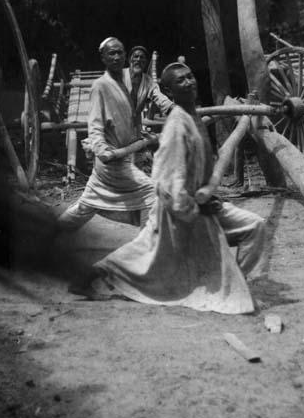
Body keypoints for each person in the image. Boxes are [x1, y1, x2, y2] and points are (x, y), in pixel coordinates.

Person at [75, 62, 267, 315]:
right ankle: (94, 273)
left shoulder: (193, 115)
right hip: (179, 210)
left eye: (190, 77)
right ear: (169, 91)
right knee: (149, 259)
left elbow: (200, 167)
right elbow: (168, 179)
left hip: (201, 203)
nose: (189, 82)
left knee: (255, 226)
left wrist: (209, 196)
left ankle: (234, 285)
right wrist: (192, 208)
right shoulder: (177, 125)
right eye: (181, 81)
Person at [58, 37, 163, 231]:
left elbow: (156, 99)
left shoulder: (133, 83)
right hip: (112, 160)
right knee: (152, 194)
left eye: (120, 52)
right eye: (111, 53)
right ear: (103, 58)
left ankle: (51, 232)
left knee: (86, 207)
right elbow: (95, 125)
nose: (116, 57)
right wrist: (101, 149)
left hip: (126, 155)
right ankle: (144, 248)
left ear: (125, 56)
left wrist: (174, 109)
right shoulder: (101, 86)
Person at [122, 45, 173, 131]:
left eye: (142, 58)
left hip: (135, 129)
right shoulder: (119, 76)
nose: (138, 60)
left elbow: (161, 100)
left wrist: (176, 109)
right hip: (115, 127)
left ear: (145, 62)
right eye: (136, 56)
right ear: (130, 59)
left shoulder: (148, 82)